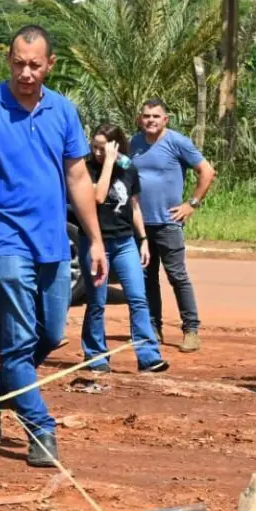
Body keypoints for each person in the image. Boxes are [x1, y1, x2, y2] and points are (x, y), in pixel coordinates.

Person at [0, 26, 107, 468]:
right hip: (4, 240)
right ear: (9, 58)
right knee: (19, 342)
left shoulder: (63, 111)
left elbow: (78, 177)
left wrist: (95, 240)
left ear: (50, 64)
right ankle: (41, 428)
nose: (25, 72)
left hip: (54, 243)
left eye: (35, 65)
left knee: (51, 335)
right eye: (19, 63)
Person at [80, 122, 168, 374]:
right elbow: (97, 197)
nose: (97, 152)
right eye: (95, 147)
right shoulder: (85, 168)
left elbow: (134, 206)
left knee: (138, 298)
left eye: (103, 148)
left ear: (117, 146)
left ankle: (148, 356)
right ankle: (95, 354)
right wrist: (107, 163)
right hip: (96, 243)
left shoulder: (129, 168)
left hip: (124, 241)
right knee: (97, 301)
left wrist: (143, 240)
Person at [130, 99, 214, 352]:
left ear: (165, 119)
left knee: (177, 276)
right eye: (146, 116)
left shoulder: (177, 142)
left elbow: (207, 171)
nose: (151, 120)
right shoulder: (134, 143)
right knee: (147, 278)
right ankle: (152, 328)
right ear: (140, 119)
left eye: (156, 116)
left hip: (168, 223)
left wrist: (192, 204)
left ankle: (191, 329)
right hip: (141, 225)